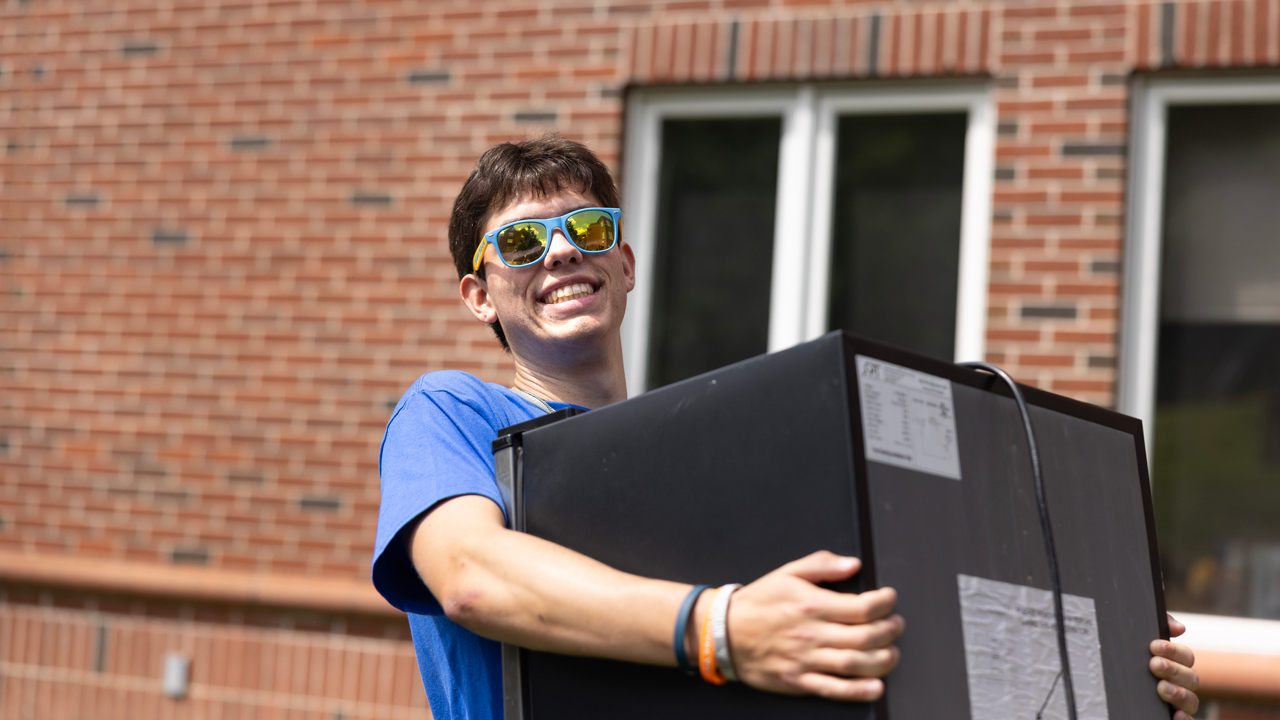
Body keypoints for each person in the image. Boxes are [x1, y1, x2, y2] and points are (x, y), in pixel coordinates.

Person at [372, 135, 1201, 720]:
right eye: (519, 242)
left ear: (623, 265)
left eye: (587, 230)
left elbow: (882, 637)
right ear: (479, 295)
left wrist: (1112, 674)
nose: (559, 254)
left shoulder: (700, 461)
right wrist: (719, 629)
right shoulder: (452, 412)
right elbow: (473, 576)